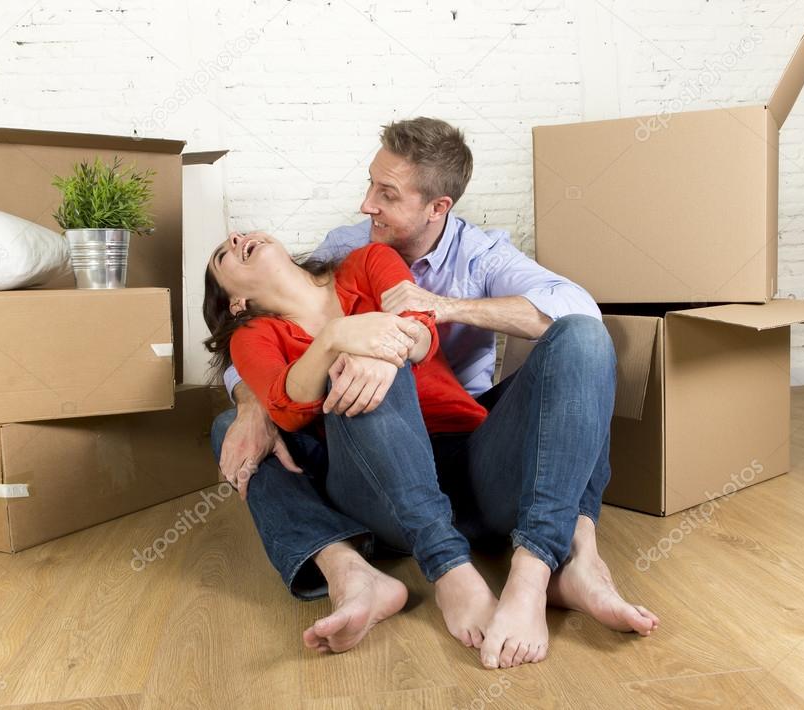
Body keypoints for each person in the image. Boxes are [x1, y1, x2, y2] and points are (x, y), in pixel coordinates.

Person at [209, 117, 659, 669]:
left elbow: (564, 309)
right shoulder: (341, 251)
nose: (365, 205)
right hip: (378, 471)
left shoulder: (442, 257)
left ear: (437, 207)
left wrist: (425, 318)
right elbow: (273, 382)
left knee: (583, 342)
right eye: (370, 184)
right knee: (238, 423)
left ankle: (544, 565)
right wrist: (262, 398)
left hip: (473, 450)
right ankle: (407, 569)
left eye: (387, 194)